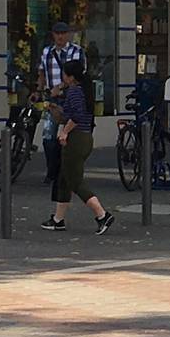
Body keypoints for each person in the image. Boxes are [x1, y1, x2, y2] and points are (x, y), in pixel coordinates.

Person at [41, 59, 115, 234]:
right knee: (64, 179)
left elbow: (76, 116)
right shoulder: (83, 91)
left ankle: (102, 214)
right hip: (84, 137)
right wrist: (54, 105)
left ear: (71, 77)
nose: (63, 78)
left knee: (74, 180)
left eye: (64, 75)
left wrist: (65, 132)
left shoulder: (74, 92)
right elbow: (72, 114)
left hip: (76, 139)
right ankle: (58, 220)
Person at [35, 20, 86, 209]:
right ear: (53, 35)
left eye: (63, 33)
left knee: (67, 137)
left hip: (70, 98)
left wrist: (62, 86)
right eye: (57, 33)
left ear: (68, 35)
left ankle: (66, 172)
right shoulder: (47, 52)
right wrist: (38, 89)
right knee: (49, 136)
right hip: (53, 101)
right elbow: (41, 73)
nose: (60, 36)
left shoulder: (77, 52)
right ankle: (53, 171)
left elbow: (80, 76)